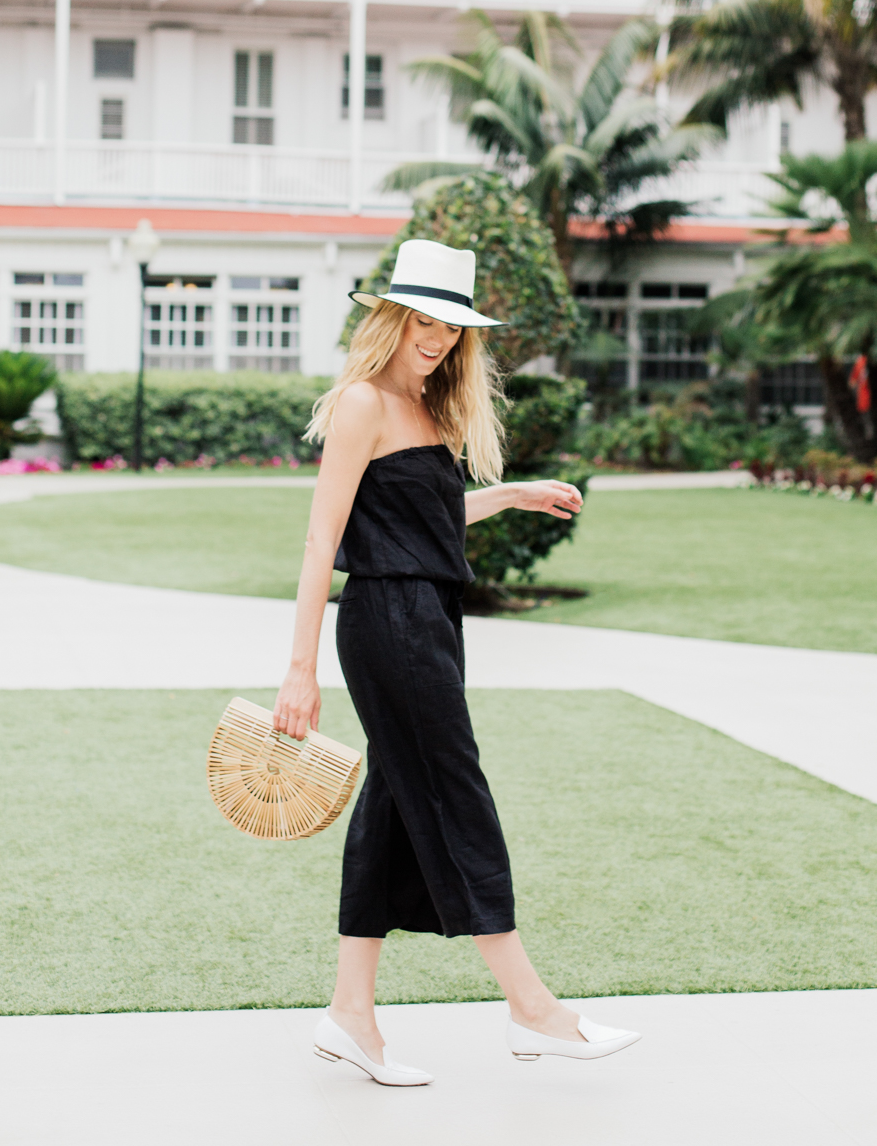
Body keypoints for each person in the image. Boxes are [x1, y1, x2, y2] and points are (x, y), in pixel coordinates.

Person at [273, 237, 640, 1086]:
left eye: (453, 325)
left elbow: (418, 526)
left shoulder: (432, 410)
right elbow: (323, 539)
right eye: (425, 321)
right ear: (394, 318)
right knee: (452, 788)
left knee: (399, 802)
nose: (438, 338)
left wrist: (512, 494)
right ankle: (533, 1009)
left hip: (429, 617)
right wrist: (300, 668)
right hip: (386, 620)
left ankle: (351, 1016)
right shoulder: (362, 402)